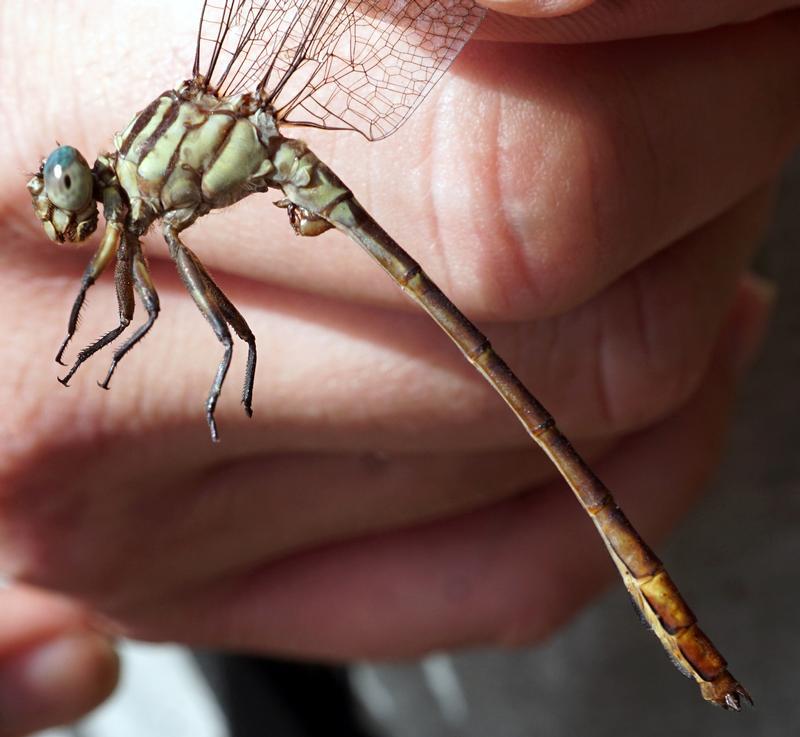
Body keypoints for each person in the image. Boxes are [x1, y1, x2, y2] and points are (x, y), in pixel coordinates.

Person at [0, 0, 797, 733]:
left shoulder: (152, 184)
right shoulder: (140, 213)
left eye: (63, 180)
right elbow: (129, 307)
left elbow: (141, 308)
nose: (59, 194)